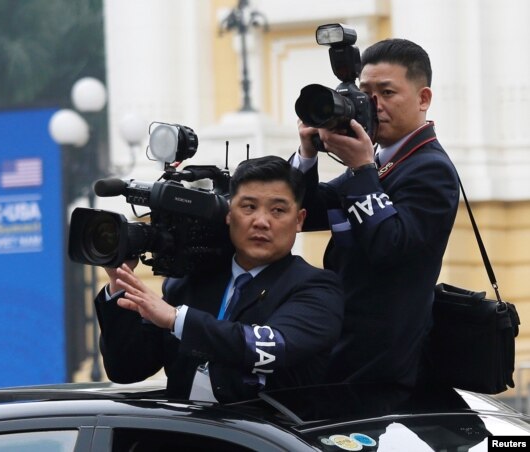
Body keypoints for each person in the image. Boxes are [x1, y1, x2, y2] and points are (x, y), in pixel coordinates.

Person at [95, 156, 344, 403]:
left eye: (278, 210)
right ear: (228, 213)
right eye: (248, 207)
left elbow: (269, 348)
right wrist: (119, 281)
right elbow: (126, 370)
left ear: (299, 220)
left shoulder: (317, 288)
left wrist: (176, 319)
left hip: (268, 439)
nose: (261, 222)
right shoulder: (188, 282)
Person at [292, 38, 460, 387]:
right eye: (365, 94)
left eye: (387, 93)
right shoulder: (381, 160)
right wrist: (307, 155)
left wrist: (362, 170)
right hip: (343, 342)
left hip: (381, 358)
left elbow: (389, 245)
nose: (373, 106)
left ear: (423, 98)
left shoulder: (430, 168)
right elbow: (308, 213)